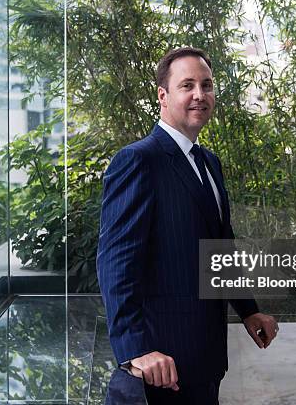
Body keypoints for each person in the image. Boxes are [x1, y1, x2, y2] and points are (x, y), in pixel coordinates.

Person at [97, 47, 278, 405]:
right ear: (163, 96)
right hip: (161, 367)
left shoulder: (209, 162)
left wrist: (248, 309)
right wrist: (136, 351)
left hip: (206, 358)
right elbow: (115, 263)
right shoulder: (138, 160)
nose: (200, 94)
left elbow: (219, 247)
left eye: (207, 85)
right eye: (187, 85)